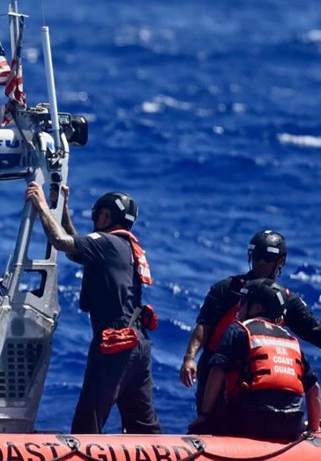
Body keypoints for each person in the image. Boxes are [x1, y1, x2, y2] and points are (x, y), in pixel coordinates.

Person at [25, 181, 161, 434]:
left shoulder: (106, 242)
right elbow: (78, 250)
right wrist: (64, 212)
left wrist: (41, 204)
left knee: (88, 424)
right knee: (143, 426)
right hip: (138, 345)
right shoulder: (125, 247)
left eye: (98, 214)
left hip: (115, 344)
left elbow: (61, 241)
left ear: (106, 216)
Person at [179, 230, 321, 411]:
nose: (260, 262)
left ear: (281, 261)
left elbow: (314, 331)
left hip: (256, 377)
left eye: (267, 258)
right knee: (211, 422)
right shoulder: (226, 289)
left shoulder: (286, 300)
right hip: (217, 370)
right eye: (256, 256)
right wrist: (189, 358)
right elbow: (204, 326)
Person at [188, 279, 321, 441]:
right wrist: (314, 430)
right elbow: (313, 388)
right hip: (292, 425)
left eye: (243, 302)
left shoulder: (238, 330)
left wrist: (205, 415)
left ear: (258, 308)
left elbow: (218, 372)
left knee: (205, 426)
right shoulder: (291, 341)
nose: (239, 307)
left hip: (252, 422)